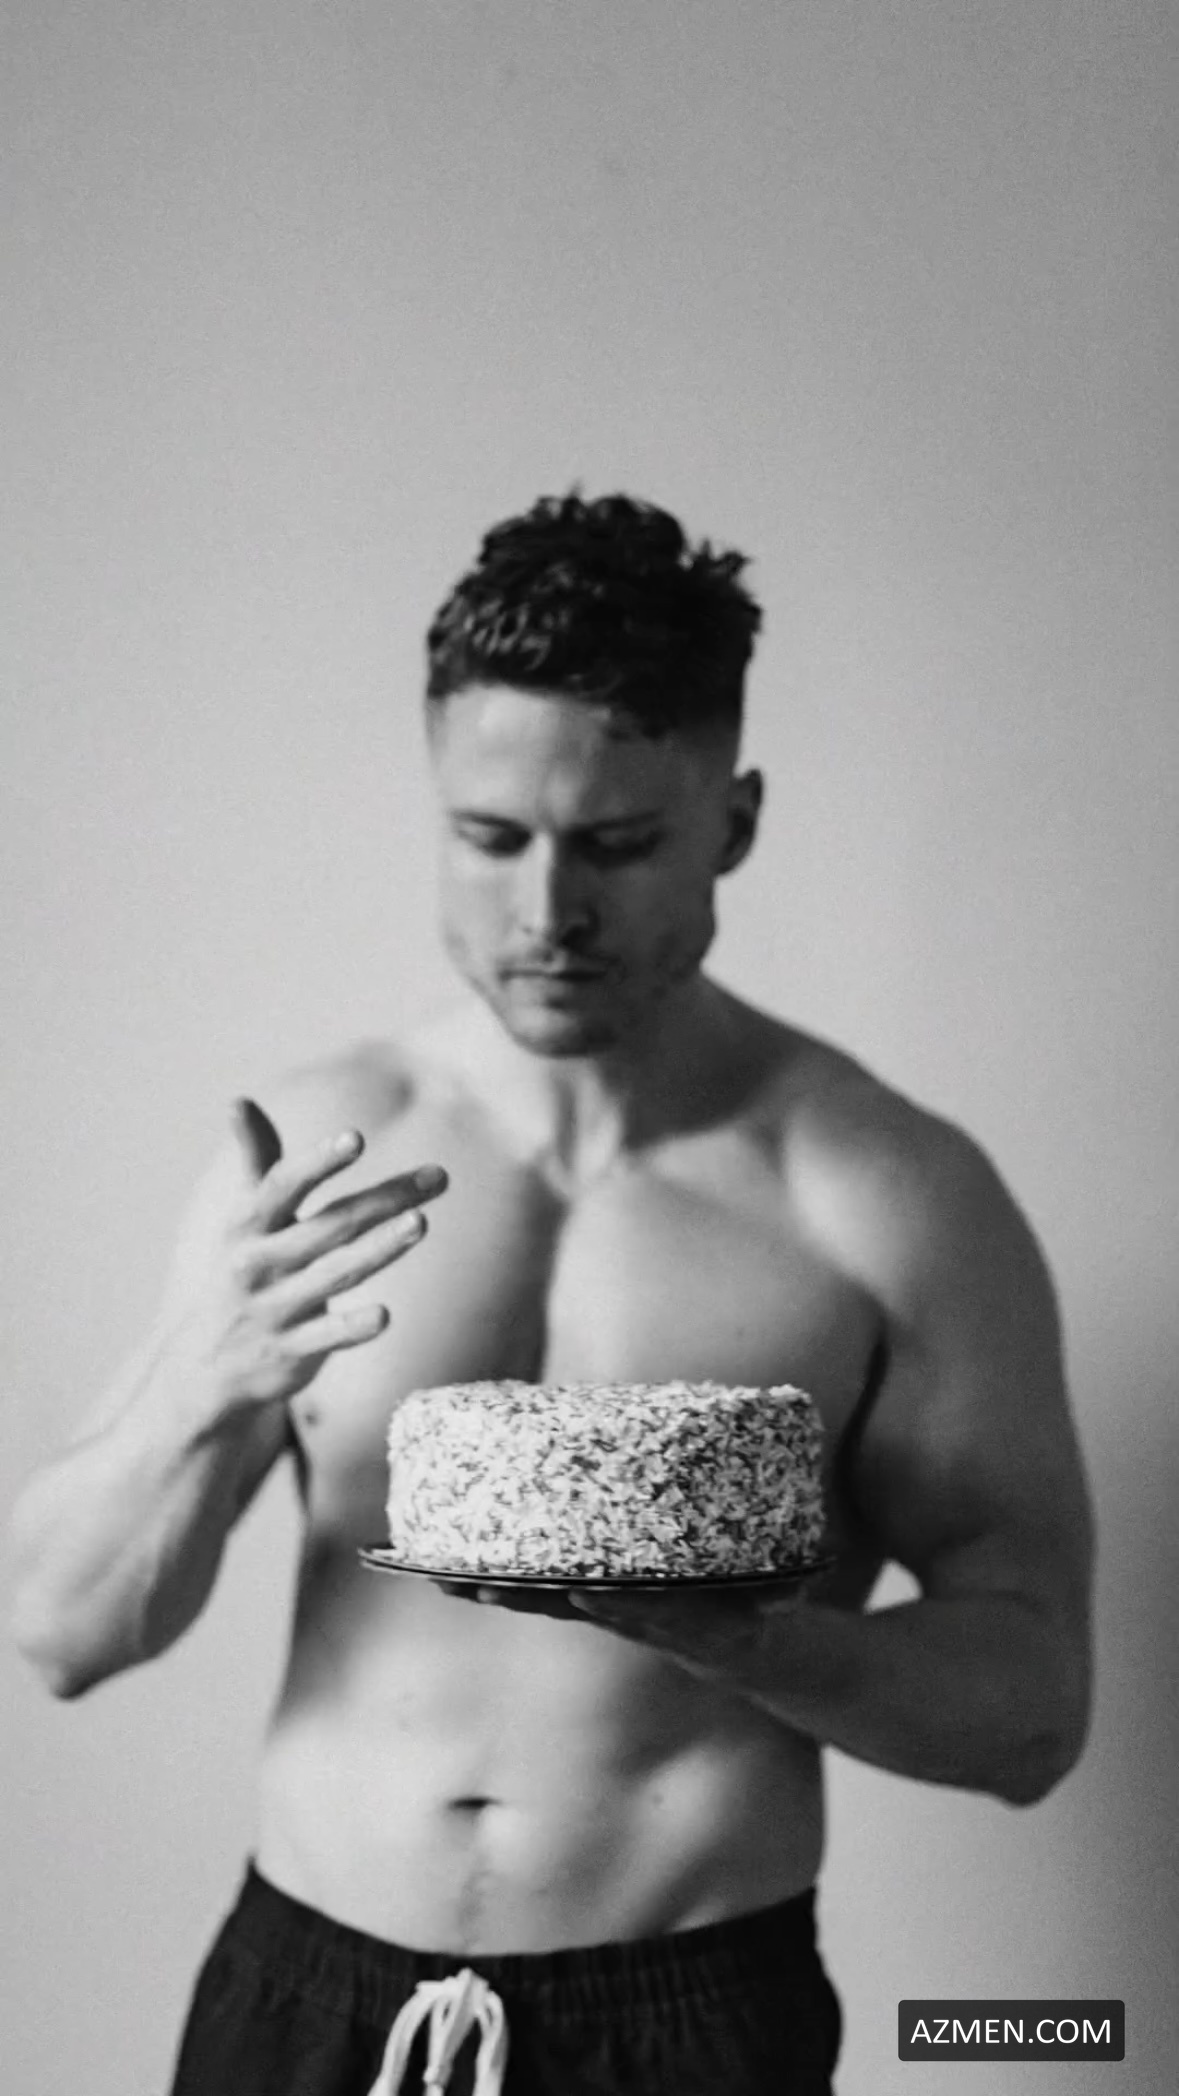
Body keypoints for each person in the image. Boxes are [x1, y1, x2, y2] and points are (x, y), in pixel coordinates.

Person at [9, 492, 1094, 2095]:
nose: (547, 917)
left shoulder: (891, 1197)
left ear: (733, 822)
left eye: (618, 845)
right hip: (305, 1996)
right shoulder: (312, 1148)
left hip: (688, 2019)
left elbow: (1035, 1717)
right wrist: (200, 1386)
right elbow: (59, 1636)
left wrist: (754, 1645)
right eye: (489, 837)